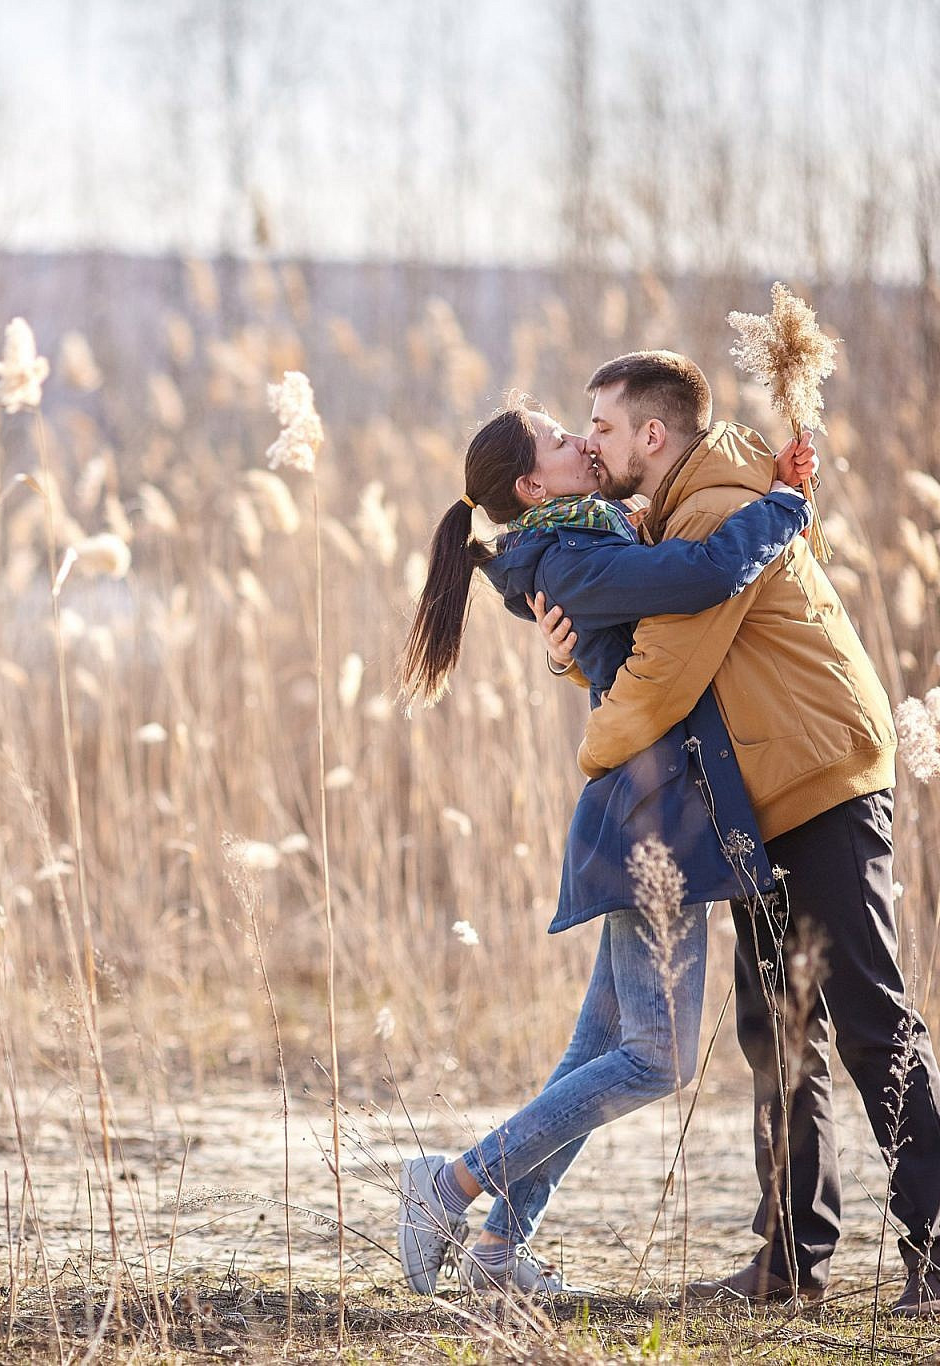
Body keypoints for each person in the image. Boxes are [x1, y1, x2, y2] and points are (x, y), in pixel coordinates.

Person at [533, 350, 940, 1316]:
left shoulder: (718, 511)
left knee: (866, 1013)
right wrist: (571, 662)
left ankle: (937, 1252)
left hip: (818, 778)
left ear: (653, 434)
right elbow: (640, 647)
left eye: (599, 427)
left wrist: (590, 748)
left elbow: (660, 679)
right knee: (775, 1027)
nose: (590, 443)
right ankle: (790, 1261)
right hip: (762, 794)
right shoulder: (681, 508)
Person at [390, 394, 817, 1299]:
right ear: (529, 483)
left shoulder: (580, 540)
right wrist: (783, 505)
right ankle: (452, 1182)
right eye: (558, 437)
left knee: (597, 1051)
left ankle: (501, 1250)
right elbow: (700, 578)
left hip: (654, 812)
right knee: (657, 1058)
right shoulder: (573, 554)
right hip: (649, 822)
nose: (581, 441)